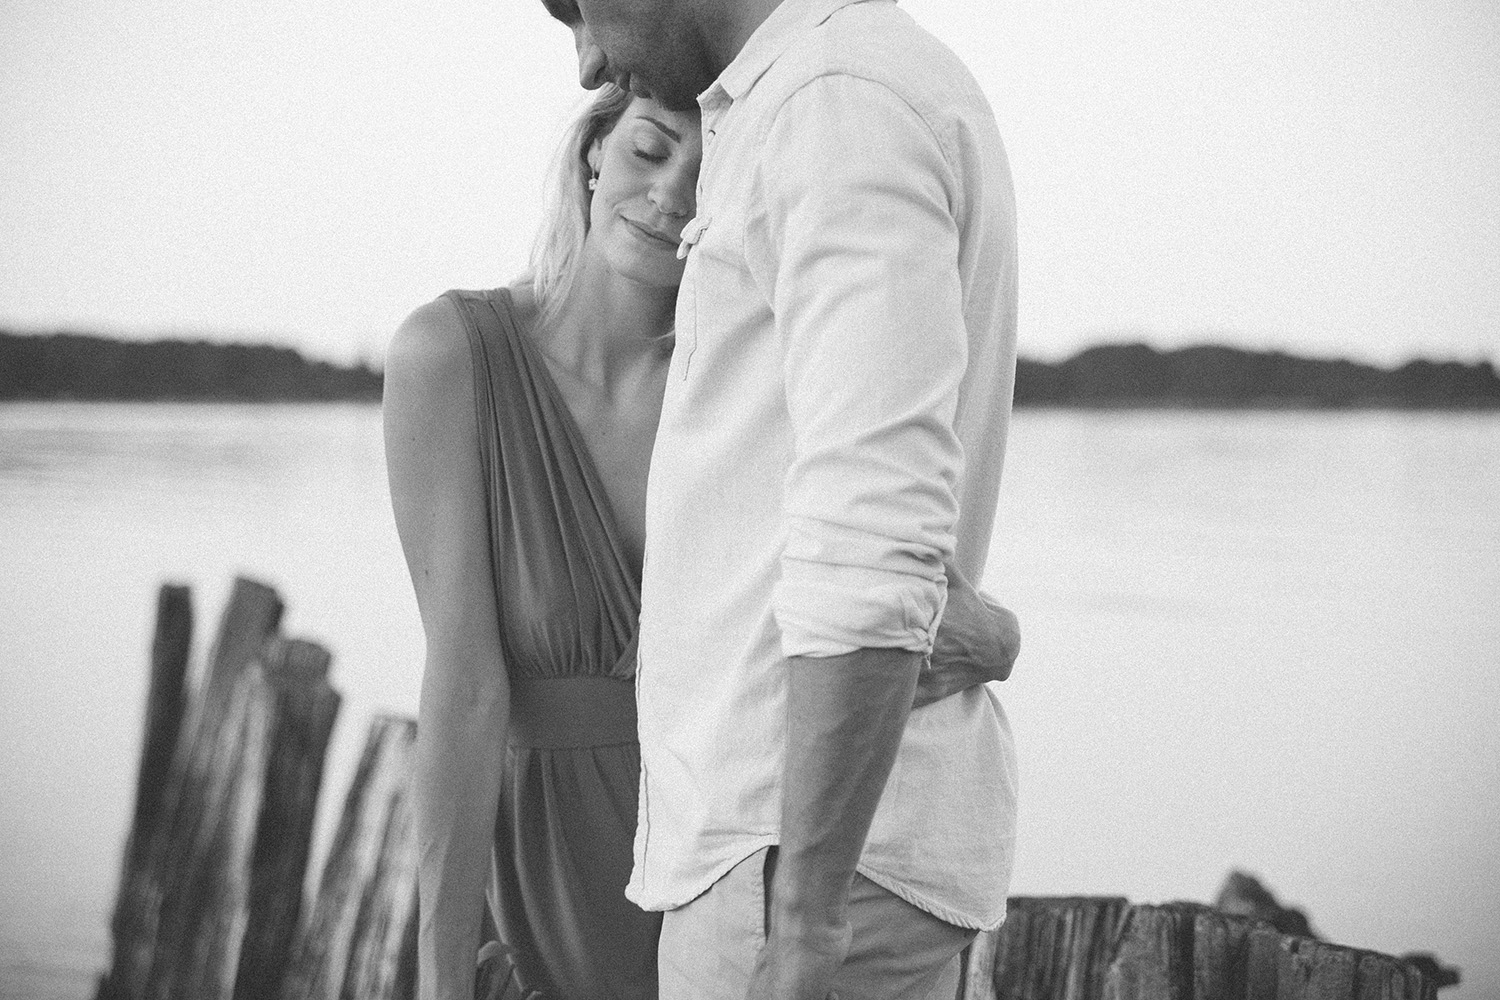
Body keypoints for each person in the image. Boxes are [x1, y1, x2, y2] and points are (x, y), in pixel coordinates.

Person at [383, 80, 1019, 999]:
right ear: (593, 151)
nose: (671, 196)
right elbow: (465, 693)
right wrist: (439, 979)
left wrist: (1001, 640)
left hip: (737, 850)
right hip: (553, 871)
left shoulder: (755, 383)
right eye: (649, 149)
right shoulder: (451, 355)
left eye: (709, 178)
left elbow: (897, 599)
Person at [547, 0, 1023, 998]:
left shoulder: (834, 104)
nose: (589, 62)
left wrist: (805, 920)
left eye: (576, 8)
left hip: (786, 862)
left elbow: (873, 522)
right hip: (803, 855)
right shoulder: (841, 92)